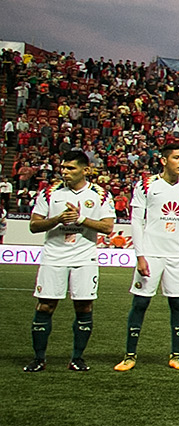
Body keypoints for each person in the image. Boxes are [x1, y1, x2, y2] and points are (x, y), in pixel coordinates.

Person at [26, 149, 114, 372]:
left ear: (85, 170)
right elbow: (34, 225)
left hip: (85, 257)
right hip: (54, 256)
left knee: (84, 306)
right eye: (63, 167)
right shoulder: (49, 193)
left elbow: (107, 227)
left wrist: (80, 219)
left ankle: (77, 358)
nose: (64, 172)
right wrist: (58, 219)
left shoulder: (100, 194)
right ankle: (38, 359)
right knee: (45, 305)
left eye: (70, 168)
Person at [118, 140, 179, 371]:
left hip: (177, 256)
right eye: (177, 158)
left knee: (178, 304)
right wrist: (140, 255)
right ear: (164, 160)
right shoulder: (146, 185)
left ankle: (176, 356)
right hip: (151, 254)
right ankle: (129, 355)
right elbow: (136, 220)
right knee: (140, 303)